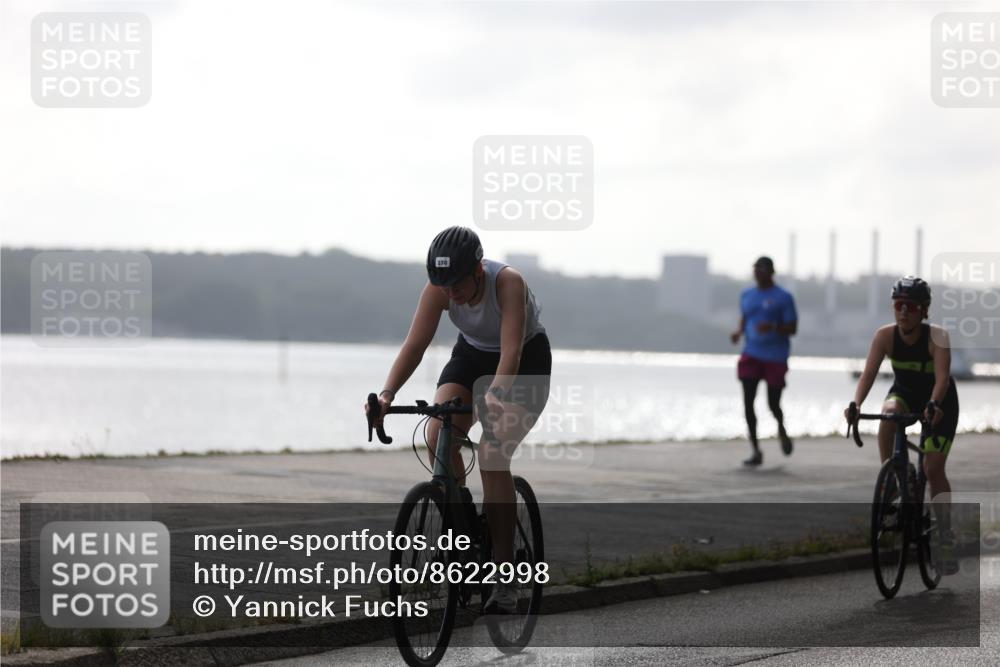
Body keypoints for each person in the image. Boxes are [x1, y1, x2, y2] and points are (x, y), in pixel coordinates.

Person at [366, 226, 551, 613]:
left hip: (524, 362)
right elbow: (415, 345)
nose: (451, 294)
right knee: (438, 433)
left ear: (478, 270)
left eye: (457, 285)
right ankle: (464, 523)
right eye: (443, 285)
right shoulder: (439, 289)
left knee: (491, 454)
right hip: (471, 356)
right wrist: (386, 395)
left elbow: (512, 352)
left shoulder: (509, 283)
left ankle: (504, 578)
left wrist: (497, 394)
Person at [845, 276, 959, 574]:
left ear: (924, 310)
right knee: (888, 414)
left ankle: (945, 536)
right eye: (898, 305)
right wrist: (856, 405)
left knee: (933, 469)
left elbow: (943, 379)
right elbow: (868, 375)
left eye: (910, 306)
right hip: (905, 394)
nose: (903, 311)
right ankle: (895, 478)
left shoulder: (938, 337)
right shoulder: (885, 336)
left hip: (940, 402)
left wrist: (933, 405)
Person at [730, 256, 798, 466]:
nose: (757, 272)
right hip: (751, 354)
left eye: (761, 268)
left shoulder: (784, 297)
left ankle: (781, 428)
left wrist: (774, 328)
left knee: (772, 403)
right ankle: (756, 450)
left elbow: (793, 328)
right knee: (748, 402)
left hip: (775, 356)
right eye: (755, 268)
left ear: (771, 272)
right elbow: (746, 318)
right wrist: (739, 332)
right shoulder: (747, 295)